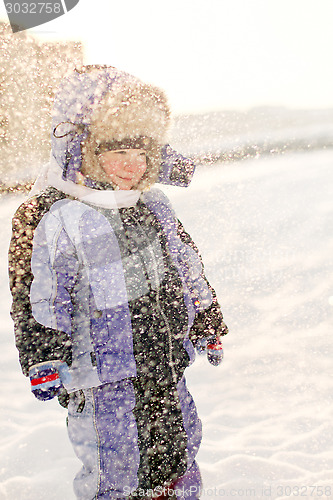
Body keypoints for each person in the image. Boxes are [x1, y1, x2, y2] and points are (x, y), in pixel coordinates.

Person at [8, 65, 228, 500]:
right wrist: (44, 356)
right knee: (116, 464)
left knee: (178, 448)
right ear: (84, 151)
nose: (133, 165)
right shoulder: (59, 218)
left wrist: (207, 321)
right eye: (117, 152)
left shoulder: (153, 205)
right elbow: (40, 296)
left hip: (165, 363)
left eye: (142, 153)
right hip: (102, 377)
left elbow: (187, 269)